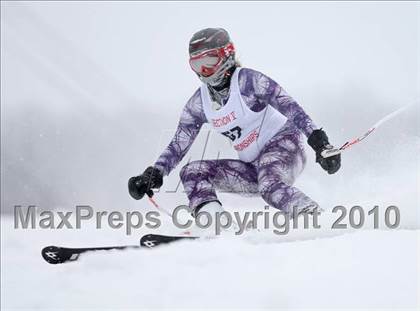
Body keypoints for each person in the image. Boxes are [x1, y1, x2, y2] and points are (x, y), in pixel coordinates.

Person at [128, 28, 340, 221]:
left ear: (226, 55)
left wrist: (320, 143)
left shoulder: (248, 82)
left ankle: (313, 216)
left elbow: (290, 108)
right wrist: (154, 174)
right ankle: (214, 223)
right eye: (196, 64)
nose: (203, 70)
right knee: (193, 172)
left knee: (269, 185)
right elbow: (179, 143)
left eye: (209, 61)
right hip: (252, 167)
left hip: (286, 147)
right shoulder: (199, 103)